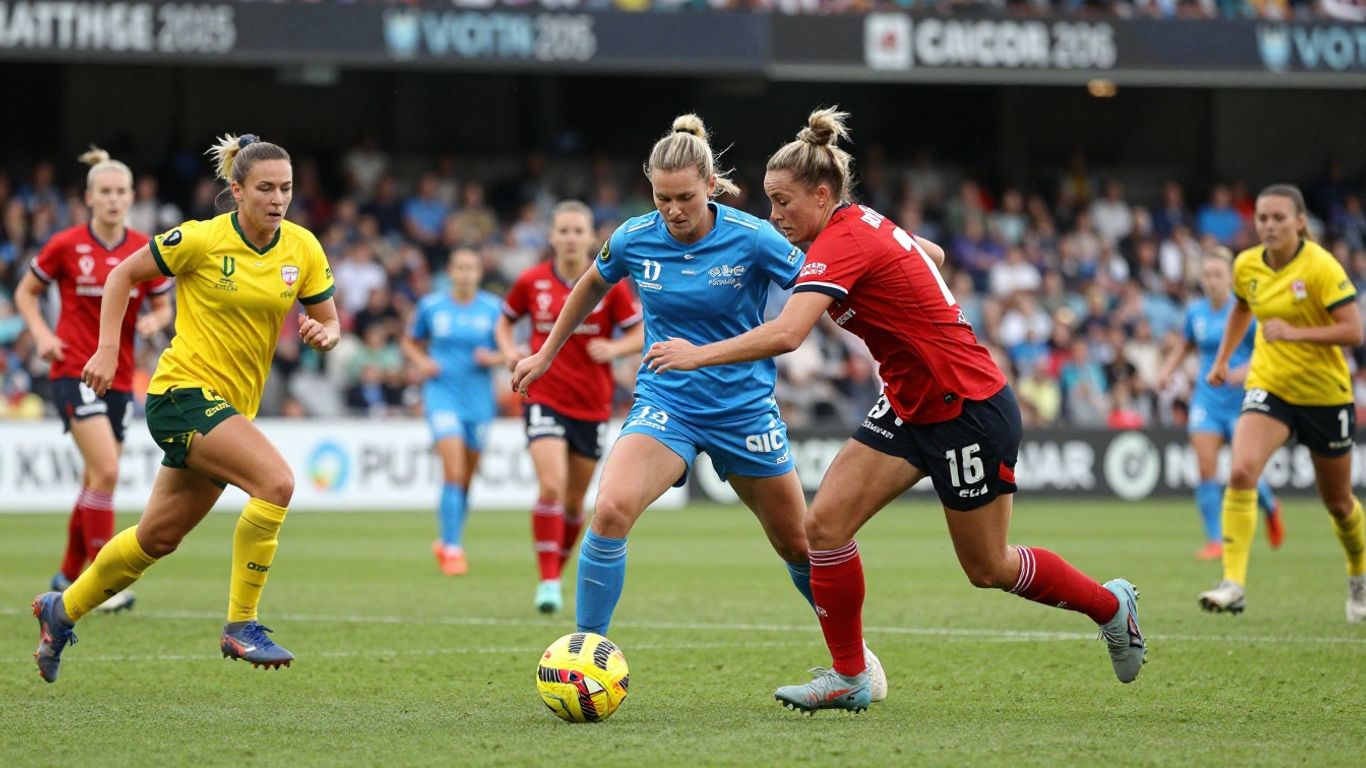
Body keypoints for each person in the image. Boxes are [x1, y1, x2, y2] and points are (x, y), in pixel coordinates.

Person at [643, 108, 1145, 714]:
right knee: (823, 526)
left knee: (988, 567)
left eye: (782, 203)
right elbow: (926, 250)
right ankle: (850, 675)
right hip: (910, 402)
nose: (774, 217)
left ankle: (1110, 606)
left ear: (822, 196)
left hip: (967, 408)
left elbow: (787, 335)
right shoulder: (857, 225)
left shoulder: (843, 240)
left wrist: (697, 355)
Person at [511, 114, 886, 702]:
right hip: (668, 404)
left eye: (685, 197)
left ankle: (854, 659)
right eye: (662, 198)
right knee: (610, 510)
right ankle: (584, 658)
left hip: (744, 410)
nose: (673, 210)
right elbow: (590, 283)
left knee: (796, 544)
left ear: (712, 185)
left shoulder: (755, 237)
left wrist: (897, 297)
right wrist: (545, 353)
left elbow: (825, 286)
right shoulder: (636, 237)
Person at [31, 133, 339, 683]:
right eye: (265, 188)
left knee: (157, 539)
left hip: (228, 407)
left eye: (286, 188)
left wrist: (324, 333)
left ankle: (62, 609)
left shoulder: (303, 249)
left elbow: (330, 319)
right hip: (181, 396)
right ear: (236, 189)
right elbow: (123, 274)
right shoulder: (199, 240)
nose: (278, 199)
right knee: (277, 483)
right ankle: (241, 625)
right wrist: (106, 348)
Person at [15, 147, 173, 614]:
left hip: (120, 378)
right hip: (73, 370)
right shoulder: (66, 245)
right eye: (104, 191)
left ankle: (67, 574)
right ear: (89, 197)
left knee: (93, 479)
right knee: (106, 471)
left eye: (121, 191)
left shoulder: (144, 248)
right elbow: (26, 292)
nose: (113, 199)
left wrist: (155, 319)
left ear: (131, 197)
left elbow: (165, 303)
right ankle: (104, 582)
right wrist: (42, 335)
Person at [1198, 184, 1366, 621]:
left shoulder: (1321, 267)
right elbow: (1240, 308)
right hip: (1270, 387)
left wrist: (1296, 333)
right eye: (1262, 218)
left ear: (1299, 222)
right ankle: (1232, 582)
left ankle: (1358, 573)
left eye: (1278, 218)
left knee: (1339, 503)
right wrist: (1220, 361)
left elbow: (1353, 331)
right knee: (1239, 469)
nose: (1269, 225)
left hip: (1325, 396)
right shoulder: (1246, 264)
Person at [495, 200, 643, 613]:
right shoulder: (531, 282)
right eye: (564, 230)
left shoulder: (609, 285)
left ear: (592, 237)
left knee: (576, 504)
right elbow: (505, 320)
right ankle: (546, 580)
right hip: (543, 395)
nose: (571, 237)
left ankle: (553, 574)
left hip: (592, 404)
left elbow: (640, 333)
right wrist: (509, 351)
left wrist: (614, 347)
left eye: (579, 231)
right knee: (552, 487)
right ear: (552, 236)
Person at [1157, 248, 1284, 560]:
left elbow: (1269, 348)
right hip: (1207, 400)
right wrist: (1167, 369)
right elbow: (1186, 344)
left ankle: (1270, 505)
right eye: (1206, 275)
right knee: (1205, 468)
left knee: (1243, 469)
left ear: (1231, 278)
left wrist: (1245, 369)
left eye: (1217, 274)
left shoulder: (1245, 310)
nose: (1211, 281)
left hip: (1242, 400)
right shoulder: (1196, 311)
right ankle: (1216, 539)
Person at [401, 248, 504, 576]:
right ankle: (452, 547)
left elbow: (511, 350)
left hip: (478, 401)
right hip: (442, 396)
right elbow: (409, 342)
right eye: (459, 268)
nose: (465, 274)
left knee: (467, 478)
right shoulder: (432, 306)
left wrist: (494, 358)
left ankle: (450, 538)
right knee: (454, 469)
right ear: (450, 271)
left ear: (479, 273)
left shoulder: (493, 308)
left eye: (471, 268)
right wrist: (422, 363)